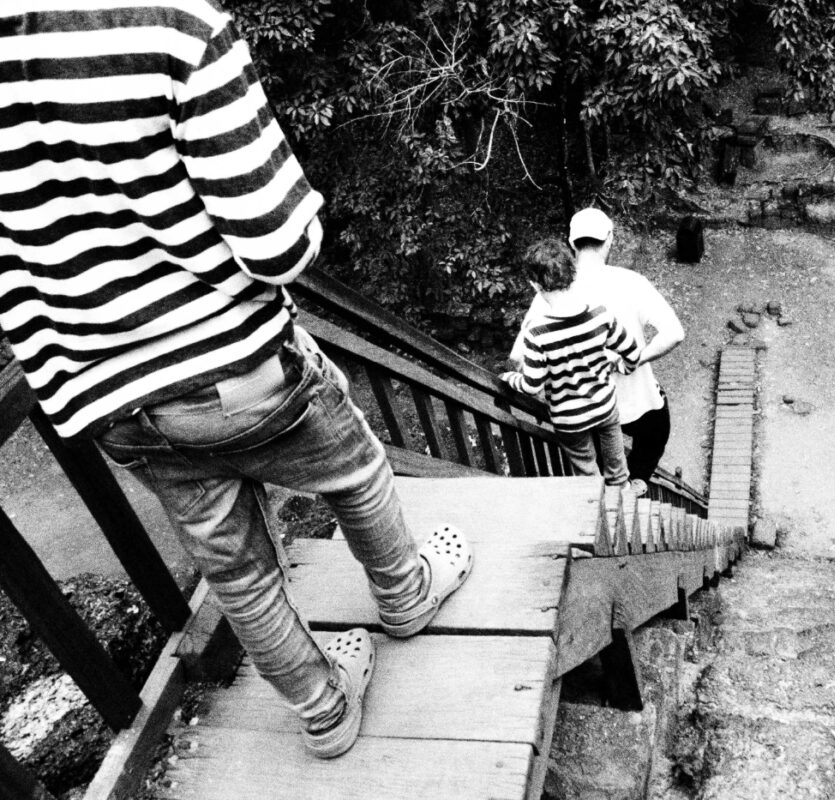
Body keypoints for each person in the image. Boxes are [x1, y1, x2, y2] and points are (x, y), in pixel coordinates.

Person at [0, 1, 472, 759]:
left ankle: (323, 710)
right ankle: (406, 596)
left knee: (238, 572)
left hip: (109, 394)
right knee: (356, 472)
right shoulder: (174, 25)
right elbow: (280, 243)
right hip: (236, 366)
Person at [510, 208, 685, 496]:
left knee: (596, 459)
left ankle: (604, 496)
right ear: (609, 239)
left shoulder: (552, 292)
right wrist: (631, 360)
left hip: (581, 412)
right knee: (656, 429)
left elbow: (519, 357)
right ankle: (637, 480)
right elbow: (675, 333)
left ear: (570, 242)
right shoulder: (632, 282)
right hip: (634, 402)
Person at [501, 239, 642, 485]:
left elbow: (532, 385)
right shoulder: (600, 314)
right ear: (573, 274)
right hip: (604, 406)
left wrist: (510, 379)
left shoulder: (537, 332)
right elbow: (632, 351)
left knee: (588, 477)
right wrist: (622, 366)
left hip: (569, 419)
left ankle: (599, 512)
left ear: (534, 284)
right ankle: (623, 499)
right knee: (618, 472)